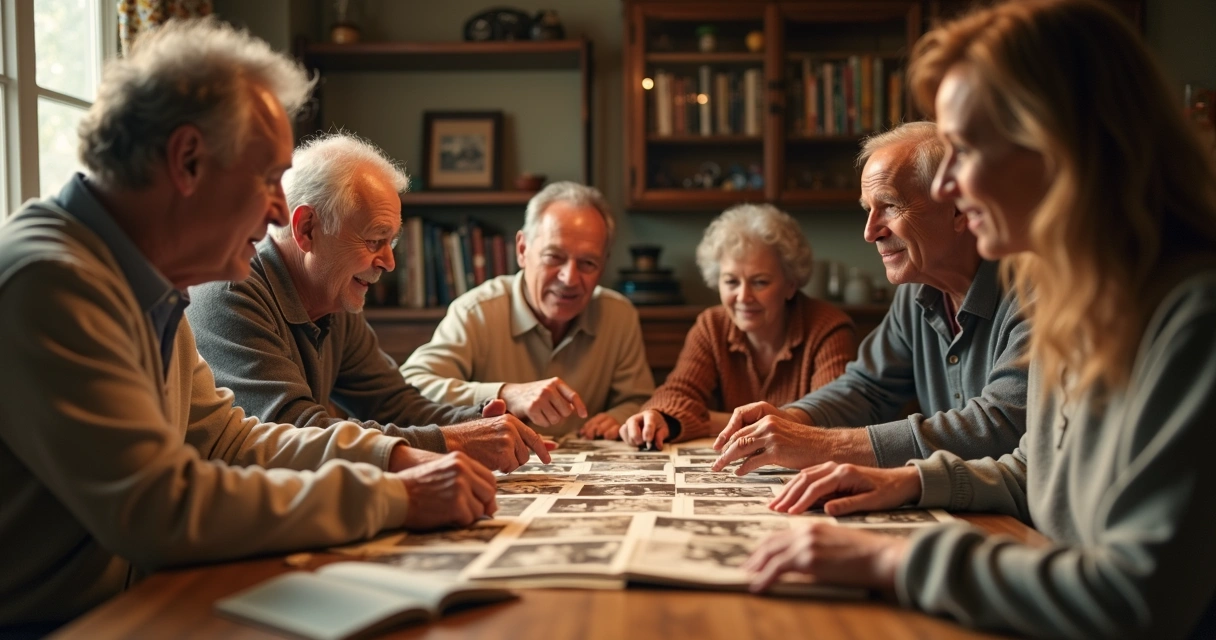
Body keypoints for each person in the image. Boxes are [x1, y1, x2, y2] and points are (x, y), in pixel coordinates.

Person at [0, 19, 495, 627]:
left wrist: (393, 457)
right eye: (266, 179)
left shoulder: (147, 284)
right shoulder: (52, 279)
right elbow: (160, 509)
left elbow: (231, 442)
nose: (279, 210)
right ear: (188, 160)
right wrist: (393, 496)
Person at [744, 1, 1216, 637]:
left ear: (1058, 146)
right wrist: (908, 482)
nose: (947, 189)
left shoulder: (1193, 315)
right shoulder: (1079, 298)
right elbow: (1035, 472)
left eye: (965, 150)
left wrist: (895, 558)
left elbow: (1136, 596)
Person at [188, 133, 552, 472]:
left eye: (391, 243)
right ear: (307, 228)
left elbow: (395, 404)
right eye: (375, 240)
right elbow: (297, 433)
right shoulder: (231, 292)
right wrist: (455, 441)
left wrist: (480, 421)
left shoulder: (332, 296)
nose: (389, 263)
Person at [712, 121, 1029, 475]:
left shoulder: (1033, 290)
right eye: (868, 209)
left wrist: (821, 444)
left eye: (890, 205)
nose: (870, 232)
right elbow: (867, 388)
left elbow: (1000, 426)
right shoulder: (915, 292)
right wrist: (791, 419)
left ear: (957, 208)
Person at [399, 182, 655, 437]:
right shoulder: (477, 311)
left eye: (588, 263)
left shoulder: (619, 316)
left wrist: (619, 417)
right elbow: (411, 386)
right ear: (522, 250)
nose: (569, 278)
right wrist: (506, 394)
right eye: (554, 257)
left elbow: (639, 400)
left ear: (604, 264)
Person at [617, 204, 856, 449]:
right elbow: (678, 392)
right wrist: (658, 416)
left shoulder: (827, 328)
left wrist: (708, 421)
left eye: (760, 282)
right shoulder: (712, 326)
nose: (743, 297)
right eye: (731, 282)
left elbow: (831, 420)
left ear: (790, 285)